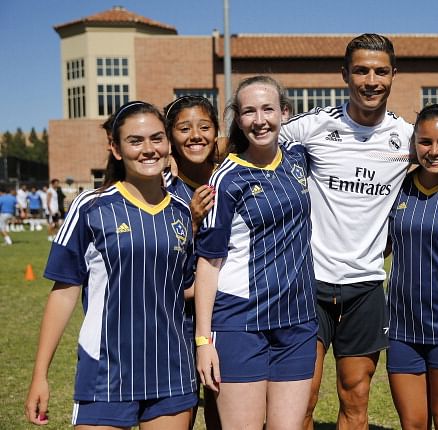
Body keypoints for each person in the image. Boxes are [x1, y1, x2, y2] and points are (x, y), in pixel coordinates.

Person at [25, 101, 198, 428]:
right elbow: (63, 292)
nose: (148, 149)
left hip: (172, 369)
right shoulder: (91, 208)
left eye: (156, 138)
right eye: (135, 141)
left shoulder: (182, 210)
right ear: (116, 149)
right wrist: (40, 376)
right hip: (106, 370)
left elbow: (186, 287)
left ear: (167, 144)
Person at [279, 33, 414, 429]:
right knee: (301, 398)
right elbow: (250, 143)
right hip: (309, 283)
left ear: (393, 76)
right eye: (361, 71)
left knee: (356, 399)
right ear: (344, 75)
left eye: (380, 71)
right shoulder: (313, 126)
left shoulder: (407, 138)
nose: (371, 80)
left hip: (366, 286)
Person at [194, 75, 317, 430]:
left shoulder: (299, 160)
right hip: (240, 324)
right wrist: (204, 340)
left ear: (285, 113)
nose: (259, 119)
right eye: (248, 111)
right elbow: (209, 261)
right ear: (238, 118)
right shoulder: (227, 178)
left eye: (267, 109)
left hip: (297, 323)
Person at [386, 104, 438, 430]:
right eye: (425, 142)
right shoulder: (399, 187)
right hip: (402, 328)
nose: (433, 151)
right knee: (413, 424)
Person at [163, 95, 220, 430]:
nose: (195, 135)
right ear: (170, 136)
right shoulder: (160, 191)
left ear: (216, 133)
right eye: (184, 128)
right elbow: (161, 269)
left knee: (226, 415)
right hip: (178, 323)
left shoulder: (231, 180)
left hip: (229, 316)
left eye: (204, 126)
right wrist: (193, 224)